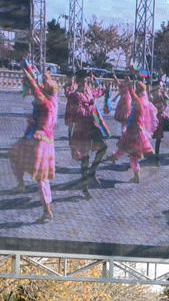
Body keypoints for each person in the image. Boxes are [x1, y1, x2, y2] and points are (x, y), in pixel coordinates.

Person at [9, 64, 59, 223]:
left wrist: (28, 74)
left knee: (38, 176)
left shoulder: (45, 103)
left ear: (47, 91)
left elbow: (35, 88)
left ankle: (46, 208)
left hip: (38, 141)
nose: (42, 85)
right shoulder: (52, 101)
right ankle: (45, 207)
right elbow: (37, 86)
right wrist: (29, 68)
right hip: (43, 141)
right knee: (39, 176)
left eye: (45, 85)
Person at [67, 71, 108, 196]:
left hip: (92, 126)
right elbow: (71, 117)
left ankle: (92, 172)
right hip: (81, 130)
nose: (85, 84)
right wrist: (70, 137)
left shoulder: (89, 91)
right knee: (85, 159)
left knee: (103, 147)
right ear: (78, 82)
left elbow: (98, 92)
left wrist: (104, 89)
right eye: (84, 81)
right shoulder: (74, 96)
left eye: (87, 81)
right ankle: (85, 187)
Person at [110, 80, 156, 183]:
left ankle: (115, 157)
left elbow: (132, 94)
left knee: (126, 148)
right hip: (139, 131)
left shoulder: (139, 102)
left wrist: (130, 85)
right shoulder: (144, 101)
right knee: (133, 154)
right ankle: (135, 175)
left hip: (133, 130)